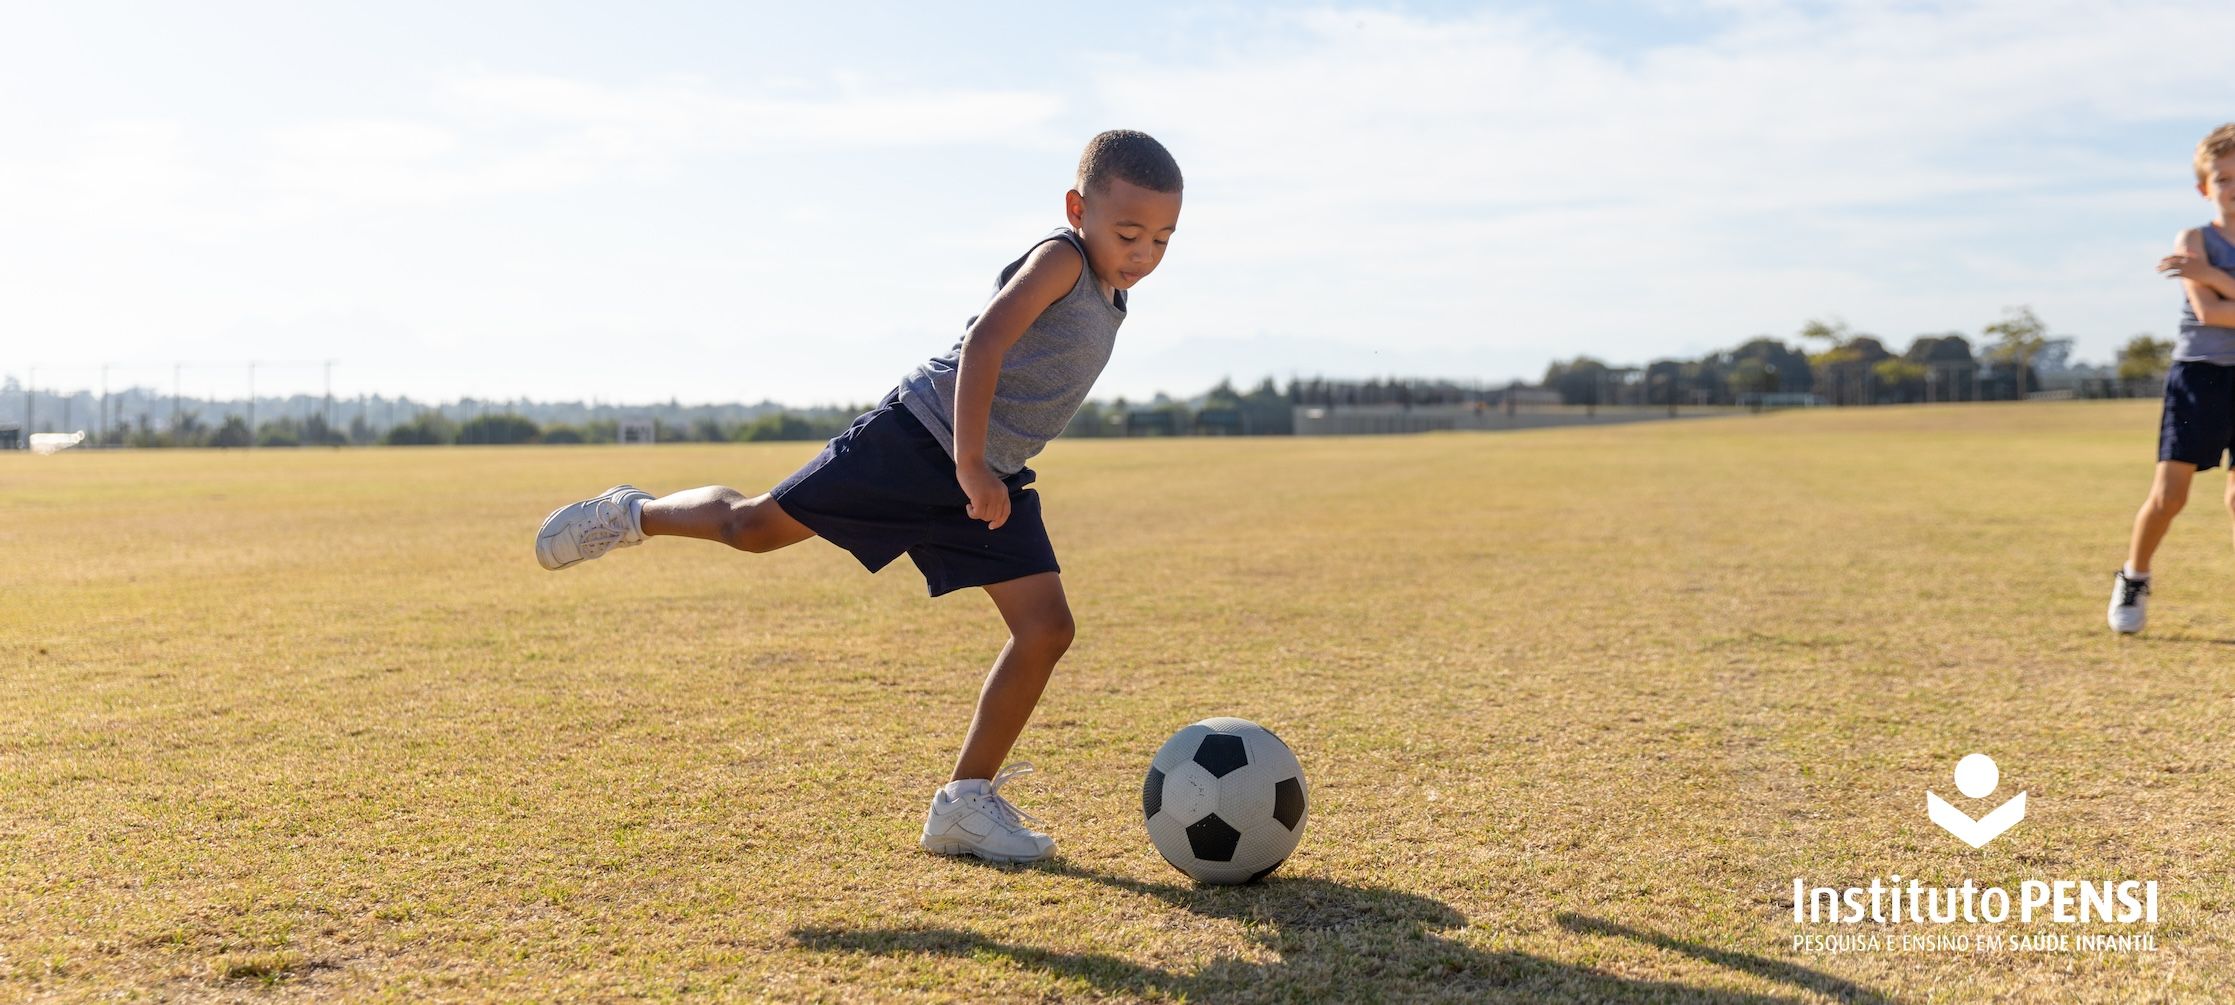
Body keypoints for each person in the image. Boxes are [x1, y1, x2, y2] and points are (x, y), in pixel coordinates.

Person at [532, 130, 1183, 861]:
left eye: (1162, 238)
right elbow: (985, 343)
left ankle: (963, 803)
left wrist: (980, 471)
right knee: (753, 528)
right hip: (916, 443)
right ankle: (631, 514)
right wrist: (969, 461)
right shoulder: (1061, 258)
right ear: (1077, 208)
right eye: (1128, 233)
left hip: (984, 478)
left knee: (1046, 629)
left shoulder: (1111, 289)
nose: (1142, 253)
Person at [2116, 123, 2235, 633]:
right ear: (2204, 188)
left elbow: (2216, 294)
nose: (2233, 187)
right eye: (2224, 178)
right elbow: (2210, 314)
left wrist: (2213, 275)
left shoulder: (2202, 260)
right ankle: (2134, 576)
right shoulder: (2194, 239)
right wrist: (2210, 283)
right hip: (2200, 377)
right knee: (2170, 497)